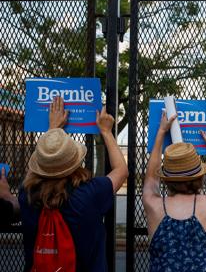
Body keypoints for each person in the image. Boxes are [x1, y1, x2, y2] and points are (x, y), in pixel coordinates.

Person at [18, 96, 128, 272]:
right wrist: (106, 132)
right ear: (75, 162)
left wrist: (52, 131)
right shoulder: (90, 193)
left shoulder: (27, 194)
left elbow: (34, 172)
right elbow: (121, 171)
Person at [143, 113, 206, 271]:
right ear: (199, 177)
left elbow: (151, 180)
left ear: (166, 179)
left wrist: (161, 132)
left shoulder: (153, 205)